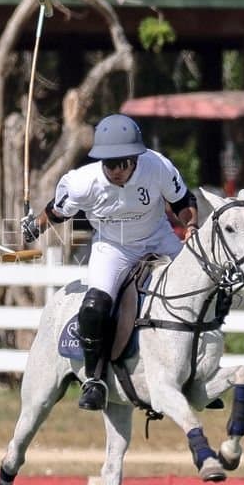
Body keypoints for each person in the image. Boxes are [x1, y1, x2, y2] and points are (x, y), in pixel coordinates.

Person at [20, 113, 198, 411]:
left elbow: (183, 203)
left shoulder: (157, 167)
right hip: (112, 248)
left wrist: (191, 227)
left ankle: (200, 370)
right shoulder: (82, 183)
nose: (114, 170)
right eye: (107, 162)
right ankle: (94, 380)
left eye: (120, 163)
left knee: (198, 288)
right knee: (94, 307)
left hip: (158, 238)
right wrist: (34, 226)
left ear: (135, 158)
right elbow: (58, 211)